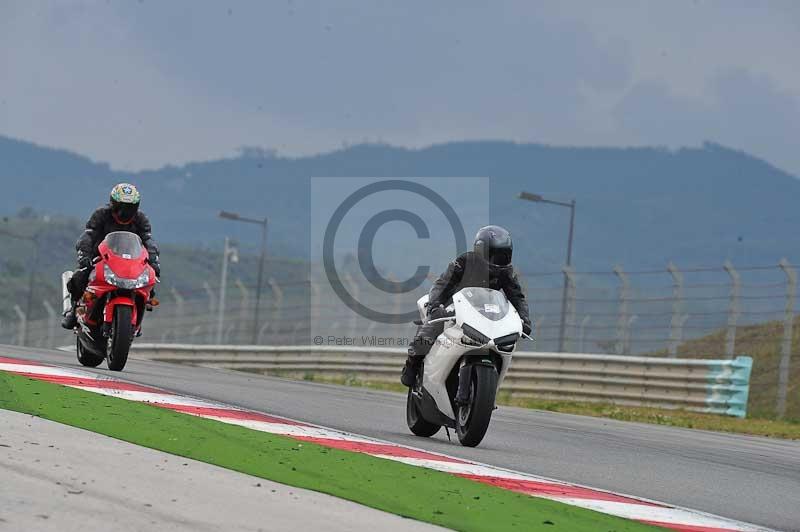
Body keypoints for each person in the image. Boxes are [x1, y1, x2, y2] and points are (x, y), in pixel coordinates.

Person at [401, 225, 531, 387]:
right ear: (481, 250)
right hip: (454, 306)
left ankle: (488, 384)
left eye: (503, 255)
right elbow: (442, 283)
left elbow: (517, 296)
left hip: (483, 313)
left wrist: (524, 319)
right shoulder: (464, 262)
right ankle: (412, 364)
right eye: (495, 254)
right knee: (432, 327)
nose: (499, 259)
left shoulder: (506, 272)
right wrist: (435, 306)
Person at [61, 183, 160, 329]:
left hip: (131, 260)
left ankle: (138, 314)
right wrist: (84, 256)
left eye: (129, 208)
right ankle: (74, 310)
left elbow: (148, 241)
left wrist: (154, 262)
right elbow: (87, 236)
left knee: (150, 283)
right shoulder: (101, 214)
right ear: (112, 204)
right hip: (100, 257)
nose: (124, 212)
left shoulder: (141, 219)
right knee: (80, 277)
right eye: (120, 207)